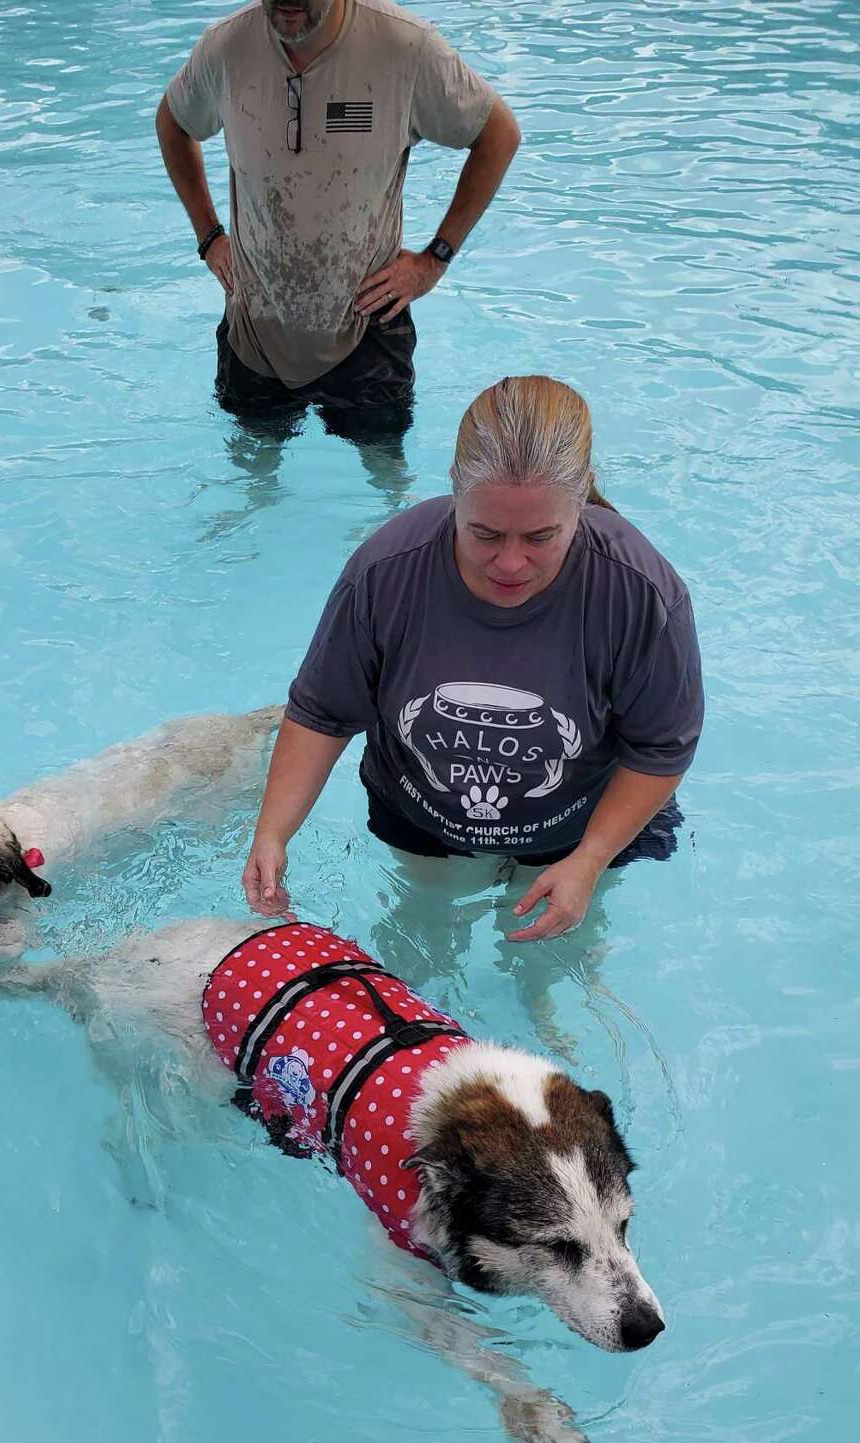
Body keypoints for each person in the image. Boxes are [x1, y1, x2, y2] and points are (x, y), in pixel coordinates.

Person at [242, 375, 705, 942]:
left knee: (555, 959)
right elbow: (323, 710)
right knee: (423, 934)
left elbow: (661, 746)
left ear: (582, 498)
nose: (510, 564)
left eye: (540, 537)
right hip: (419, 818)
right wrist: (273, 832)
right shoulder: (387, 571)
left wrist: (590, 859)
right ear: (453, 490)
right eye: (484, 533)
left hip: (579, 825)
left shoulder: (639, 591)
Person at [156, 0, 521, 465]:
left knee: (384, 490)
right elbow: (173, 122)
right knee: (250, 492)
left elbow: (498, 135)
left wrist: (435, 259)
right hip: (255, 332)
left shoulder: (405, 47)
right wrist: (209, 237)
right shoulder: (225, 48)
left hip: (366, 331)